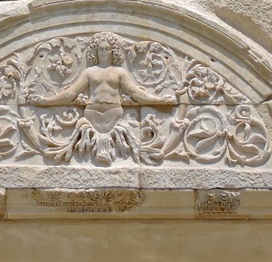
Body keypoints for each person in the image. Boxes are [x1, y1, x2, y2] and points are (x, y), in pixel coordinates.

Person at [29, 32, 175, 165]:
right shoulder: (89, 72)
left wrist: (160, 100)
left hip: (114, 115)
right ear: (95, 51)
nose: (104, 52)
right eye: (101, 49)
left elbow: (135, 93)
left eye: (107, 49)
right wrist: (47, 101)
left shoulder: (119, 72)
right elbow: (72, 92)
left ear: (113, 51)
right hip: (92, 114)